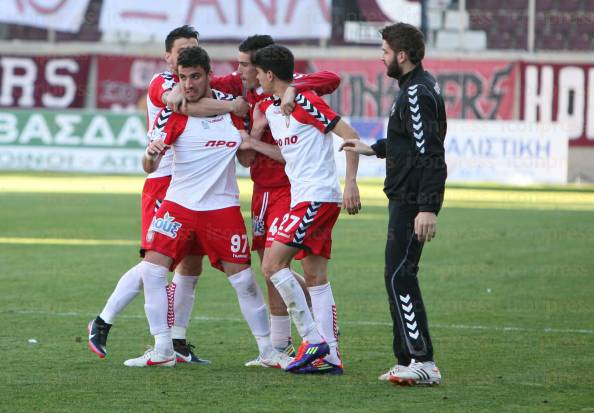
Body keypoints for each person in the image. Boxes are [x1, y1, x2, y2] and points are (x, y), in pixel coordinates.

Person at [167, 34, 342, 367]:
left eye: (246, 65)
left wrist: (293, 89)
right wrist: (175, 89)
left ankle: (324, 342)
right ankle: (281, 346)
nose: (238, 71)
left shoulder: (291, 91)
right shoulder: (241, 85)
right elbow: (194, 86)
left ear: (264, 69)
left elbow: (331, 79)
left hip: (291, 190)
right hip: (262, 189)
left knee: (298, 267)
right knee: (272, 267)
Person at [87, 25, 248, 364]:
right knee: (155, 263)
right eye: (181, 50)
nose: (186, 54)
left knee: (191, 266)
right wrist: (231, 106)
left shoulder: (202, 80)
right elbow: (185, 107)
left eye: (194, 47)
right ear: (167, 56)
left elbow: (237, 83)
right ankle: (103, 321)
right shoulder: (163, 82)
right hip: (165, 182)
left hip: (196, 185)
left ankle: (177, 341)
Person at [124, 46, 292, 369]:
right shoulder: (175, 113)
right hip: (178, 206)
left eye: (195, 77)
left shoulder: (231, 114)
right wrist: (151, 153)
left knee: (243, 281)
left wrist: (252, 132)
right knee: (152, 270)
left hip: (221, 208)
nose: (188, 84)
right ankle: (162, 347)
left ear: (208, 76)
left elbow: (245, 159)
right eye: (183, 78)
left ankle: (268, 350)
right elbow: (148, 164)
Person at [340, 22, 447, 385]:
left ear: (402, 55)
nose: (381, 57)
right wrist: (373, 149)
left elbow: (430, 152)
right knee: (395, 277)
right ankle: (406, 359)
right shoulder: (413, 89)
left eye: (385, 51)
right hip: (404, 200)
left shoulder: (416, 93)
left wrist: (428, 206)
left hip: (412, 202)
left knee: (402, 276)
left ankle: (424, 361)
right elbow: (406, 143)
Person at [250, 44, 361, 374]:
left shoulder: (305, 102)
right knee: (315, 275)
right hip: (306, 197)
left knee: (271, 265)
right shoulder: (271, 107)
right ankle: (330, 356)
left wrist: (351, 182)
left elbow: (349, 134)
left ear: (270, 74)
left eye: (256, 72)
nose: (253, 77)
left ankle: (313, 340)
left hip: (317, 197)